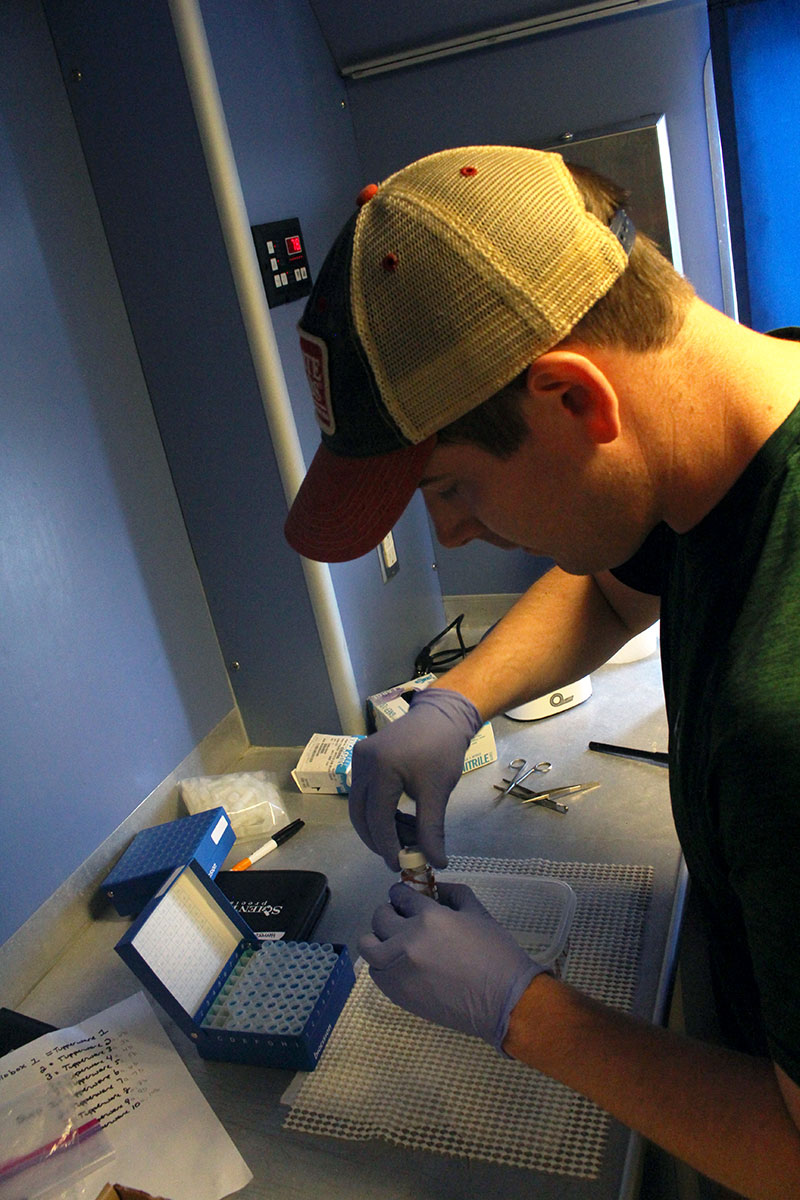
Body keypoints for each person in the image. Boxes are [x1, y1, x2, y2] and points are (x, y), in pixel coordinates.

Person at [284, 145, 800, 1198]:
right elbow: (617, 584)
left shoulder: (780, 726)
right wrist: (455, 700)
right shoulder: (742, 423)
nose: (456, 535)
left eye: (454, 488)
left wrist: (526, 1013)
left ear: (571, 397)